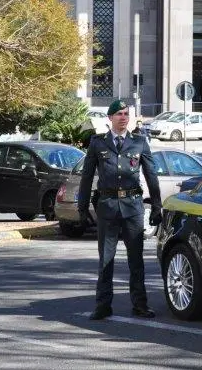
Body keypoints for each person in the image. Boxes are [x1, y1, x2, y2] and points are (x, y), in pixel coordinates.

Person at [77, 99, 162, 320]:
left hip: (133, 206)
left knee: (136, 259)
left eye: (126, 114)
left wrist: (156, 205)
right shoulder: (98, 143)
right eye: (119, 114)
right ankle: (103, 305)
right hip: (107, 207)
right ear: (110, 118)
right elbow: (87, 177)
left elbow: (151, 175)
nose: (123, 117)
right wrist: (82, 206)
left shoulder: (139, 142)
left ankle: (140, 304)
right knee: (106, 259)